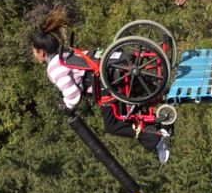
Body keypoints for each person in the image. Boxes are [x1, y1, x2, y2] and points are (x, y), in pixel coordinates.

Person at [31, 9, 172, 164]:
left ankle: (156, 137)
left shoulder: (55, 68)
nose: (34, 55)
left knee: (113, 126)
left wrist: (67, 107)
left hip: (109, 84)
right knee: (131, 109)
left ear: (41, 52)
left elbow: (73, 94)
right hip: (117, 65)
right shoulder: (66, 53)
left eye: (34, 52)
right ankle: (157, 128)